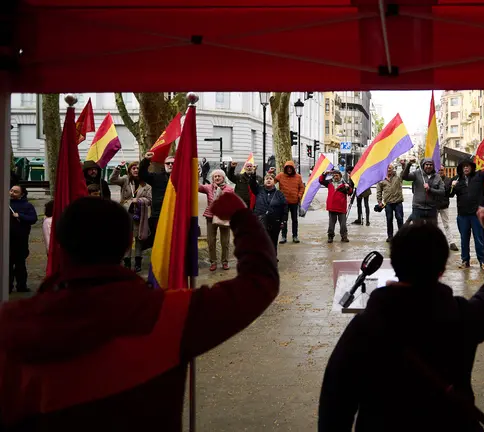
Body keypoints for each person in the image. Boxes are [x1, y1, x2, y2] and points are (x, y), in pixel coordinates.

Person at [0, 194, 279, 431]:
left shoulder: (10, 325)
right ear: (125, 246)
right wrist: (242, 218)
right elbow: (258, 284)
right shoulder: (168, 315)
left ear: (58, 244)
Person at [318, 209, 484, 431]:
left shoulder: (365, 327)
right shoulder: (459, 316)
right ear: (443, 268)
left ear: (394, 264)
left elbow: (336, 401)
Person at [449, 155, 484, 269]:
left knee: (479, 238)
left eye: (468, 166)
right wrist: (451, 186)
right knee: (464, 239)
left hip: (477, 214)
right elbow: (449, 194)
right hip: (463, 215)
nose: (466, 168)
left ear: (472, 167)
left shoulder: (479, 175)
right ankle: (465, 260)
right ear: (460, 168)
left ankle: (482, 261)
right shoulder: (456, 179)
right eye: (463, 167)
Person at [111, 161, 152, 272]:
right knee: (127, 239)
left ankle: (138, 263)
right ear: (129, 170)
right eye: (133, 168)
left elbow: (149, 201)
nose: (135, 170)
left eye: (138, 168)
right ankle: (127, 263)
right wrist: (118, 167)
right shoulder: (125, 180)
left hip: (140, 216)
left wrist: (138, 200)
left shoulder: (146, 185)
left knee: (139, 240)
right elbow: (112, 179)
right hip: (126, 215)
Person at [199, 169, 235, 271]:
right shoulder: (208, 188)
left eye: (219, 176)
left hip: (223, 217)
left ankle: (225, 262)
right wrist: (197, 174)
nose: (217, 178)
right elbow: (197, 187)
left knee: (225, 241)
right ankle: (213, 262)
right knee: (211, 241)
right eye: (215, 176)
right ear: (212, 178)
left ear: (223, 178)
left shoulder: (229, 189)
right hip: (210, 217)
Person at [139, 152, 173, 248]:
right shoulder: (156, 177)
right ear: (164, 164)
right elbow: (142, 174)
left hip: (175, 215)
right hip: (158, 215)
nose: (170, 165)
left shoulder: (181, 178)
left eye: (173, 163)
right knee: (158, 242)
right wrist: (146, 160)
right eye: (168, 163)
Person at [250, 173, 288, 257]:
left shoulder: (279, 194)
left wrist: (283, 221)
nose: (268, 180)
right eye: (266, 178)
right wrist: (253, 174)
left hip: (275, 221)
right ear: (263, 181)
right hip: (260, 220)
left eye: (270, 178)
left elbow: (285, 208)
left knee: (273, 241)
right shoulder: (259, 190)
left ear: (274, 181)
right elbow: (252, 184)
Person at [8, 185, 37, 293]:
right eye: (11, 190)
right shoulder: (6, 203)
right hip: (8, 239)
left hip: (21, 239)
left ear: (22, 194)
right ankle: (8, 286)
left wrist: (20, 215)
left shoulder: (27, 205)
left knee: (20, 263)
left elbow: (33, 218)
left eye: (15, 192)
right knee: (8, 263)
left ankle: (21, 286)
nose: (11, 193)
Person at [402, 157, 445, 224]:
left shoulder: (437, 177)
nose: (428, 166)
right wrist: (409, 164)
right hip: (418, 208)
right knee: (417, 230)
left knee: (431, 231)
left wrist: (430, 189)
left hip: (432, 209)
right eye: (427, 164)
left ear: (433, 166)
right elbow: (405, 177)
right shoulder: (417, 174)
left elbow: (442, 192)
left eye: (431, 165)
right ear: (423, 165)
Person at [275, 160, 305, 244]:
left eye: (290, 168)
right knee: (284, 220)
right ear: (285, 168)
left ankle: (295, 236)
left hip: (294, 202)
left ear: (293, 169)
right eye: (287, 168)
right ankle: (283, 236)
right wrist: (270, 174)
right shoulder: (280, 175)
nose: (289, 170)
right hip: (283, 203)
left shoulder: (298, 177)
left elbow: (302, 187)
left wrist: (299, 195)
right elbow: (272, 181)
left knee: (294, 220)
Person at [319, 169, 353, 243]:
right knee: (331, 225)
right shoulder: (329, 183)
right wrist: (324, 173)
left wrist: (349, 188)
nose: (335, 177)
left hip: (341, 208)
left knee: (343, 225)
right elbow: (321, 180)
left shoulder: (345, 184)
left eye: (337, 175)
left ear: (340, 176)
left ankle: (344, 237)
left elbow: (350, 192)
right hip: (332, 207)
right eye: (334, 175)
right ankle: (330, 237)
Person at [376, 164, 405, 243]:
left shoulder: (398, 177)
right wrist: (379, 201)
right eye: (387, 168)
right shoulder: (381, 179)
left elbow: (404, 173)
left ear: (393, 169)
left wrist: (404, 165)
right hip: (388, 203)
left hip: (398, 202)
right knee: (389, 219)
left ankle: (401, 236)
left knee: (400, 219)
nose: (388, 169)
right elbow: (379, 191)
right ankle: (390, 236)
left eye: (390, 168)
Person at [437, 167, 459, 251]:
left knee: (446, 224)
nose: (440, 171)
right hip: (434, 205)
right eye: (439, 170)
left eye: (442, 170)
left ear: (444, 171)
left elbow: (451, 194)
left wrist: (452, 187)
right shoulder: (433, 178)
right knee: (434, 224)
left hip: (444, 205)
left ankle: (451, 242)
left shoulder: (448, 180)